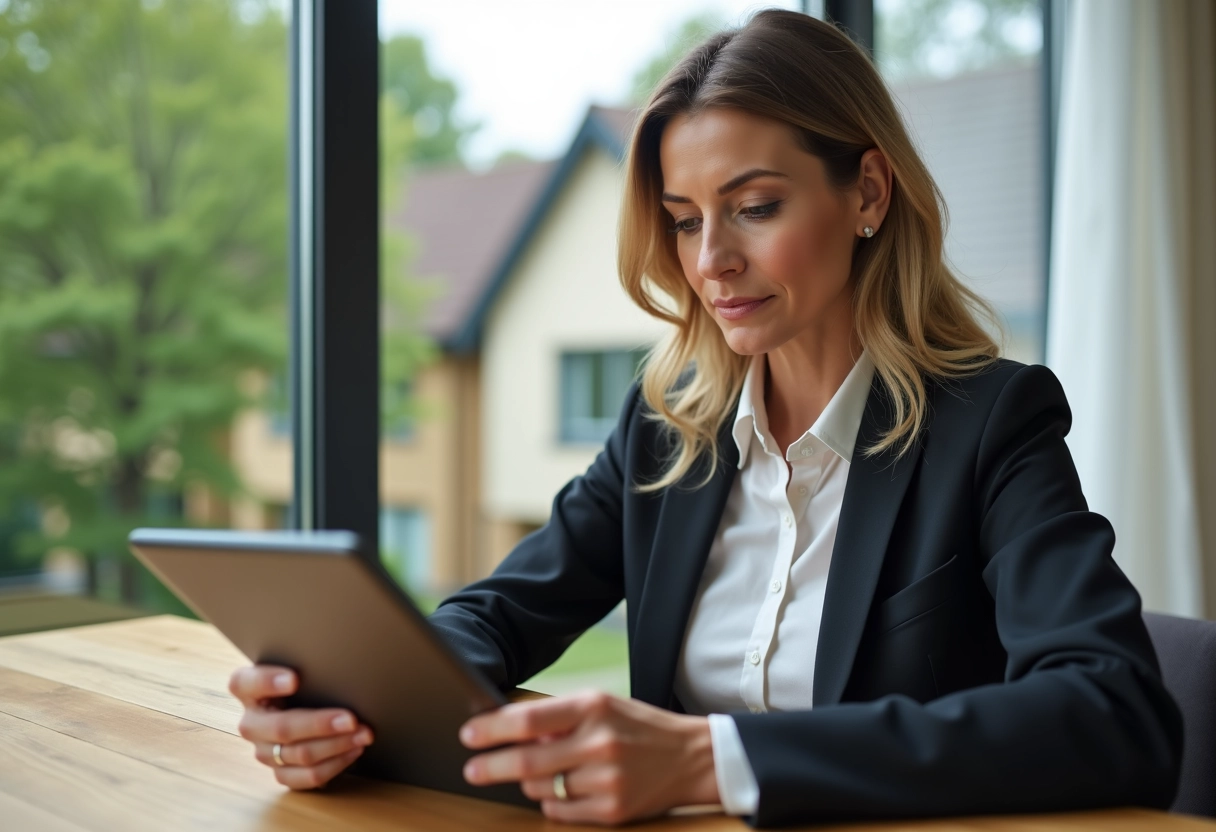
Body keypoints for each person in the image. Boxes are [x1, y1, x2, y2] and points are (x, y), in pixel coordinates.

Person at [227, 9, 1182, 828]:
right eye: (685, 219)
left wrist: (706, 759)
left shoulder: (993, 423)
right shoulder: (667, 425)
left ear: (868, 194)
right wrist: (357, 705)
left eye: (755, 206)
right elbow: (498, 610)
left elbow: (1116, 714)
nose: (711, 258)